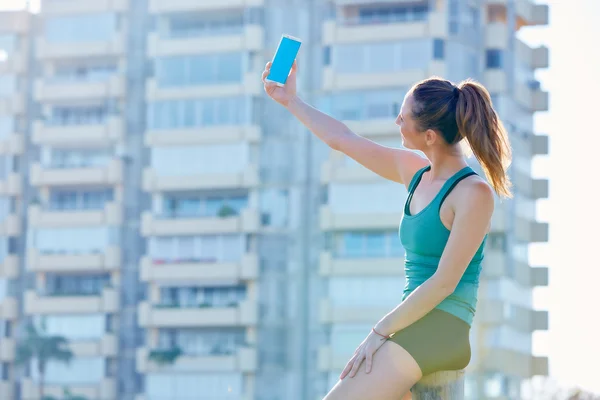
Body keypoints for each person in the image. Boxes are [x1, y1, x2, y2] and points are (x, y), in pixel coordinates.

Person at [262, 60, 512, 399]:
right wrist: (291, 100)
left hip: (443, 327)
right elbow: (343, 139)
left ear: (429, 136)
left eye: (403, 117)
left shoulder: (473, 193)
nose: (397, 121)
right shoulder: (415, 173)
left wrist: (379, 332)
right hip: (413, 324)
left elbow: (444, 282)